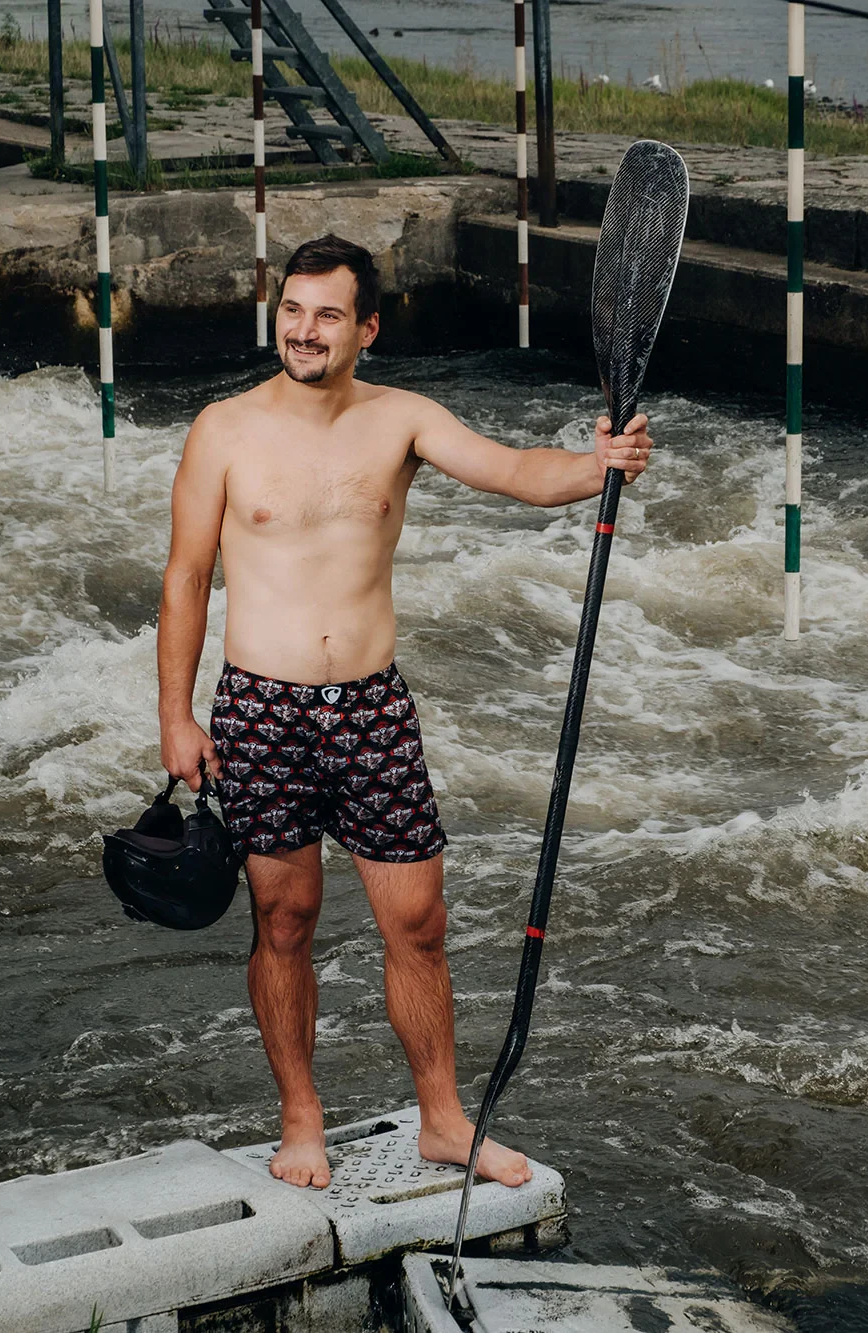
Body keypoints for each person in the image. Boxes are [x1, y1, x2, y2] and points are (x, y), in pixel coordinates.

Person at [159, 234, 655, 1190]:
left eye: (328, 314)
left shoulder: (403, 420)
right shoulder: (223, 429)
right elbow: (184, 578)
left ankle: (444, 1121)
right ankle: (301, 1118)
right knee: (284, 920)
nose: (304, 330)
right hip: (260, 709)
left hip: (371, 709)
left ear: (367, 329)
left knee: (419, 922)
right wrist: (176, 718)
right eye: (293, 310)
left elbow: (514, 472)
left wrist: (601, 463)